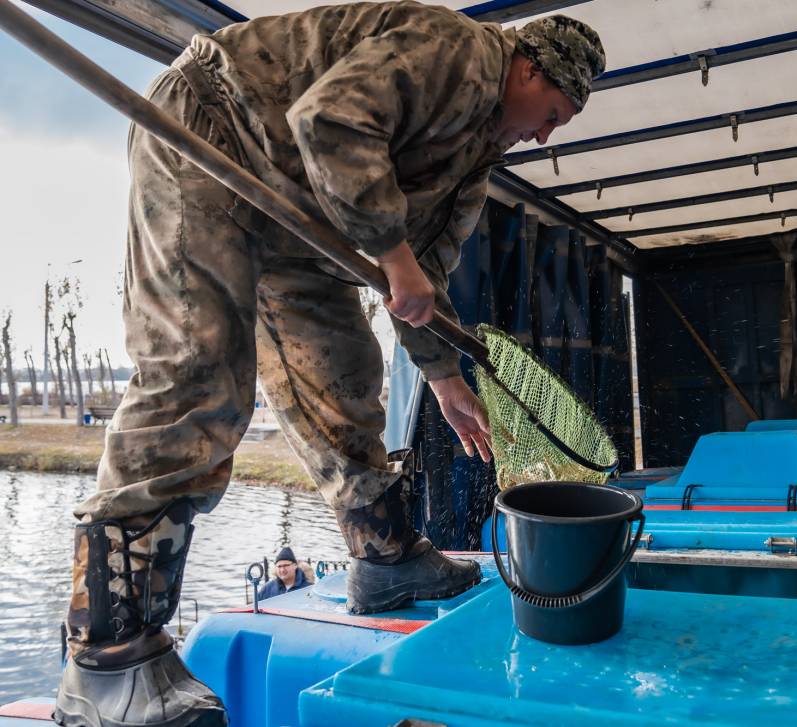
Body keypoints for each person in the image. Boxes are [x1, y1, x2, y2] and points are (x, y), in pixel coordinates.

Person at [54, 4, 605, 726]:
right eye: (553, 113)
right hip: (211, 133)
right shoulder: (461, 52)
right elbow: (332, 120)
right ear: (528, 69)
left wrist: (442, 376)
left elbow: (428, 266)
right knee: (197, 373)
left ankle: (383, 556)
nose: (543, 133)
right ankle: (108, 654)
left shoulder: (478, 151)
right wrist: (393, 255)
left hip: (301, 211)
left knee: (346, 375)